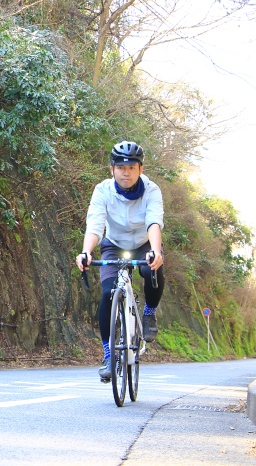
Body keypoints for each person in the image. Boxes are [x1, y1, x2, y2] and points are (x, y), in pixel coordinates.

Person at [75, 141, 164, 381]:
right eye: (121, 167)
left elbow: (154, 222)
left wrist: (155, 251)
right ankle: (108, 355)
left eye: (132, 167)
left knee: (152, 271)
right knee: (107, 294)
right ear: (111, 169)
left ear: (141, 169)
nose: (126, 172)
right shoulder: (103, 190)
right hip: (113, 246)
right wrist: (86, 252)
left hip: (143, 244)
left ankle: (149, 313)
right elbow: (95, 224)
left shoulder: (151, 190)